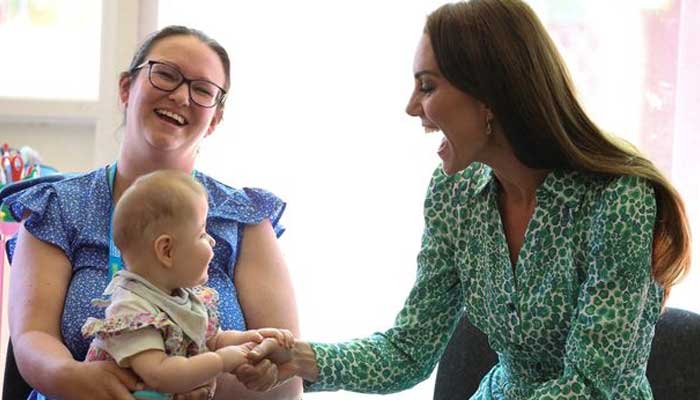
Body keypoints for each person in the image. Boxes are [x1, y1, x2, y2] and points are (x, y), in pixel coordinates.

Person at [237, 1, 692, 399]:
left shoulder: (619, 199)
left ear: (490, 95)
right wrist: (296, 358)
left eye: (428, 86)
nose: (412, 107)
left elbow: (590, 386)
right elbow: (407, 351)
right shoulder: (454, 196)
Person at [5, 25, 302, 400]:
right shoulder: (56, 207)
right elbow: (32, 338)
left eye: (202, 90)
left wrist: (204, 382)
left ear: (214, 120)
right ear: (126, 88)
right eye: (165, 74)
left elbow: (285, 377)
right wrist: (72, 377)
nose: (180, 96)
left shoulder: (243, 218)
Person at [81, 170, 294, 398]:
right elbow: (160, 374)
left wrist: (253, 341)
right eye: (202, 234)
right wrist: (222, 361)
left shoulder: (183, 296)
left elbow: (212, 340)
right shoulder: (132, 309)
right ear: (167, 251)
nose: (211, 240)